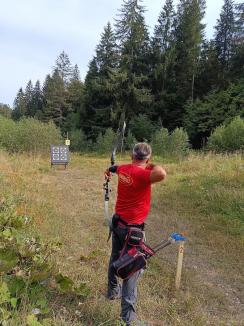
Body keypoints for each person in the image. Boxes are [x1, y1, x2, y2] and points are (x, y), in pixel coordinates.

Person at [106, 142, 166, 326]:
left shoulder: (124, 169)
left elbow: (115, 167)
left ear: (132, 156)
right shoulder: (143, 174)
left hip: (118, 223)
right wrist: (151, 164)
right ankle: (128, 320)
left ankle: (111, 291)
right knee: (132, 269)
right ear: (147, 158)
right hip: (132, 230)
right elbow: (162, 173)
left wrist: (109, 169)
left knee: (115, 256)